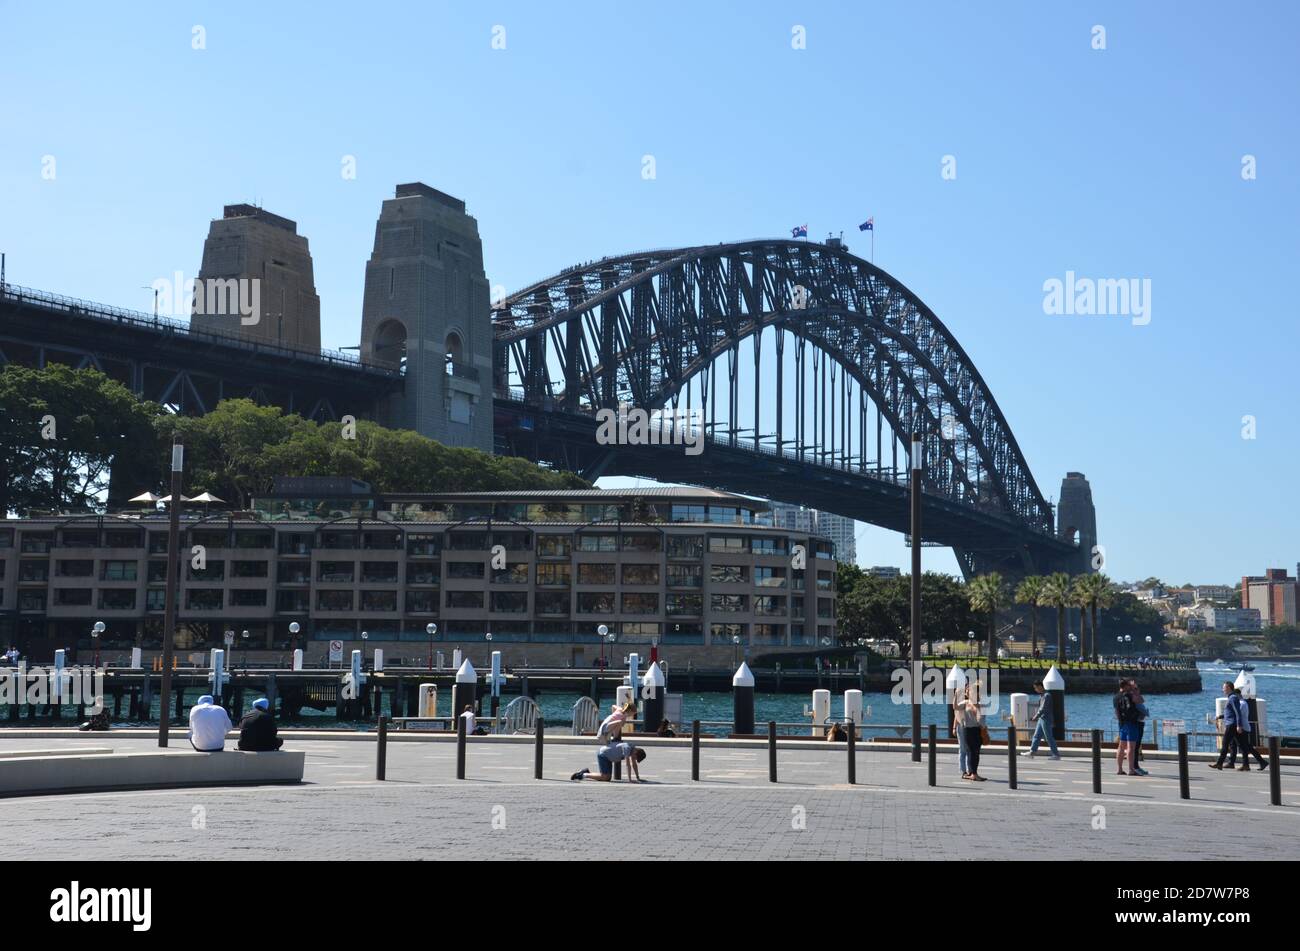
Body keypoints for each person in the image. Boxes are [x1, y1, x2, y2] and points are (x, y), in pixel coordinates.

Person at [1228, 687, 1268, 772]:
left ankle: (1252, 763)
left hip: (1242, 727)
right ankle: (1233, 762)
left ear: (1237, 695)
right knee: (1236, 745)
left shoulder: (1242, 703)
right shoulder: (1242, 703)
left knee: (1245, 747)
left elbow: (1237, 714)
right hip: (1241, 726)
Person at [571, 742, 647, 783]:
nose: (633, 758)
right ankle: (582, 775)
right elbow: (628, 765)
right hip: (603, 755)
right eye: (635, 757)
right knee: (605, 777)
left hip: (608, 757)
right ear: (636, 752)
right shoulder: (627, 748)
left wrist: (638, 778)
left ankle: (586, 772)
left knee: (607, 778)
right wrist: (630, 780)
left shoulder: (632, 749)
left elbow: (634, 764)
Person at [955, 682, 986, 781]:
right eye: (967, 691)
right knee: (971, 752)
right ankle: (973, 773)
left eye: (970, 691)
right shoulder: (965, 702)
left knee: (976, 752)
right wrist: (956, 695)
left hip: (977, 730)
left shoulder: (981, 703)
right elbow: (955, 707)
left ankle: (974, 773)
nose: (968, 692)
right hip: (967, 729)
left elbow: (981, 718)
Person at [1022, 681, 1061, 759]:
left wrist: (1035, 717)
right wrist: (1037, 717)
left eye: (1035, 688)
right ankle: (1032, 752)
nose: (1035, 690)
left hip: (1046, 719)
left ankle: (1056, 755)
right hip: (1041, 719)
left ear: (1040, 687)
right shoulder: (1042, 695)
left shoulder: (1047, 696)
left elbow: (1043, 708)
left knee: (1049, 737)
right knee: (1036, 735)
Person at [1210, 680, 1240, 770]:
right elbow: (1230, 713)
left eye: (1224, 688)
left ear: (1228, 688)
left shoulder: (1233, 698)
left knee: (1225, 743)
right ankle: (1232, 763)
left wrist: (1239, 725)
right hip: (1231, 723)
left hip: (1231, 724)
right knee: (1238, 744)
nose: (1222, 689)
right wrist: (1220, 716)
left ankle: (1219, 763)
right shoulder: (1231, 697)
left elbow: (1237, 712)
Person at [953, 685, 970, 778]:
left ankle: (969, 770)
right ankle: (964, 771)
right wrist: (954, 727)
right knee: (963, 749)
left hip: (970, 727)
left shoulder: (971, 701)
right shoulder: (962, 702)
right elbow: (956, 714)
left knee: (968, 749)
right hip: (962, 727)